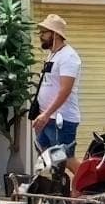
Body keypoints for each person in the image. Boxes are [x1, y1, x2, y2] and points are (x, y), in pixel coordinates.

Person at [31, 14, 82, 166]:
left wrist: (46, 114)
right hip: (47, 118)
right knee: (48, 157)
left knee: (65, 157)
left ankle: (87, 187)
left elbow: (65, 90)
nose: (41, 36)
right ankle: (58, 188)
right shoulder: (52, 55)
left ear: (55, 34)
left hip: (61, 119)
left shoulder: (69, 57)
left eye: (44, 32)